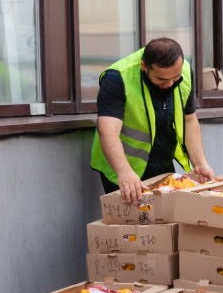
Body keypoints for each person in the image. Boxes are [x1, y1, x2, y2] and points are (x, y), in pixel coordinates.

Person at [91, 37, 214, 203]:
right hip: (123, 165)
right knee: (132, 225)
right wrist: (124, 172)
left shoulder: (184, 70)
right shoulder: (117, 78)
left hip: (162, 162)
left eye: (175, 78)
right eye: (161, 80)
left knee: (165, 221)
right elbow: (108, 131)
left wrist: (200, 164)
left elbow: (189, 120)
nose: (170, 84)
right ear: (144, 67)